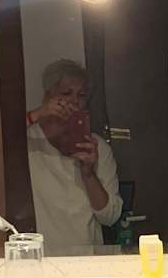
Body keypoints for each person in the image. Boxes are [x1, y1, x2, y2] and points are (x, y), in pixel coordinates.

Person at [25, 59, 122, 253]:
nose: (74, 101)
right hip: (40, 257)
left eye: (81, 95)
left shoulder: (98, 148)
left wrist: (88, 174)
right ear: (48, 96)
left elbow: (110, 217)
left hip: (87, 258)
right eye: (66, 93)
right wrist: (38, 114)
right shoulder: (28, 140)